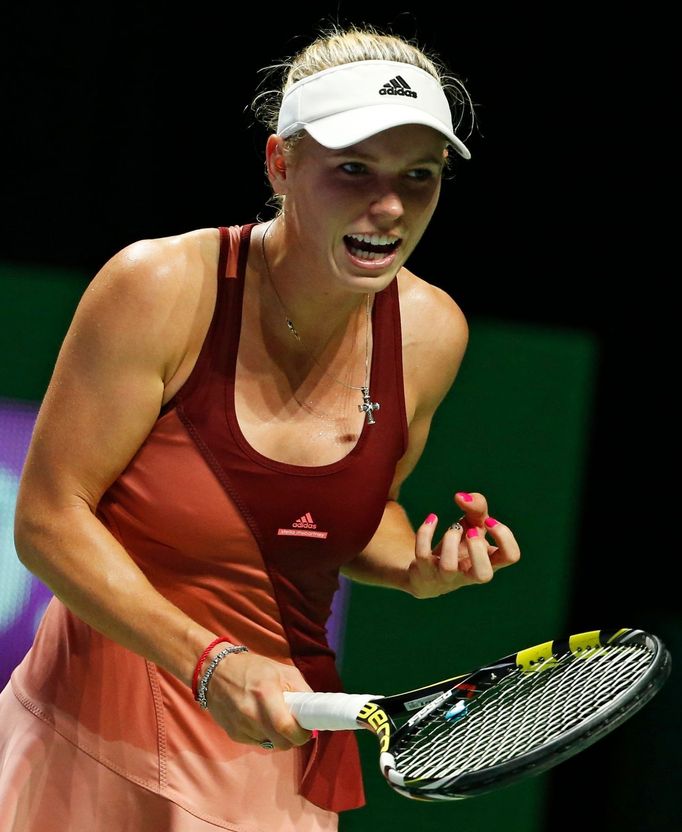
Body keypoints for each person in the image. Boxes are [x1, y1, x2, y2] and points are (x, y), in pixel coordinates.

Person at [0, 22, 520, 832]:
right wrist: (208, 664)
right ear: (281, 163)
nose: (388, 205)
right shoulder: (161, 286)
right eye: (352, 169)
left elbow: (342, 522)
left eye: (419, 176)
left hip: (273, 764)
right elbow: (47, 520)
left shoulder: (430, 332)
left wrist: (418, 565)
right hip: (84, 738)